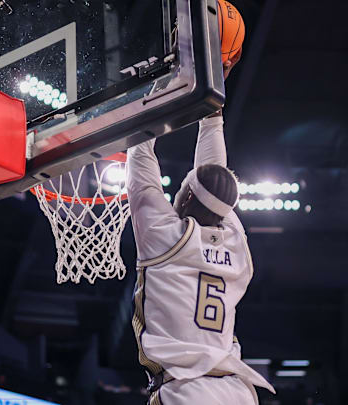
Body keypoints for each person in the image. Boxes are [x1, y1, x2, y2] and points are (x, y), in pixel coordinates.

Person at [126, 52, 275, 404]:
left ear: (188, 196)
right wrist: (212, 98)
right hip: (235, 388)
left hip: (189, 390)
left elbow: (143, 158)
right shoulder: (236, 245)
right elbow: (211, 176)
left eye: (182, 187)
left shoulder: (168, 239)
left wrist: (153, 85)